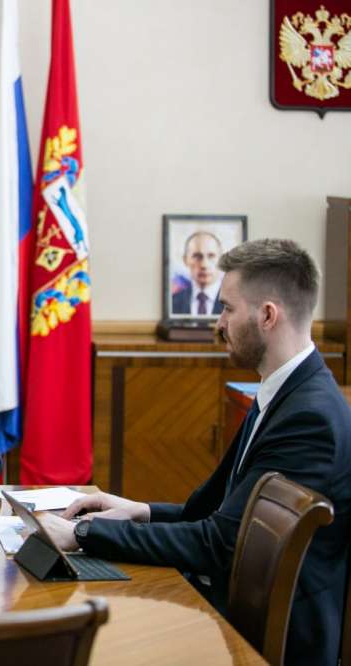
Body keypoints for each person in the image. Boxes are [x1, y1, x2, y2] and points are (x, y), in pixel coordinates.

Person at [39, 239, 351, 666]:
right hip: (228, 605)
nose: (218, 324)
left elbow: (221, 544)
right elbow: (213, 515)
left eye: (227, 309)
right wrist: (137, 511)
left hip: (267, 641)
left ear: (267, 316)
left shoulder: (310, 418)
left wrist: (81, 535)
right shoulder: (283, 392)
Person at [171, 230, 224, 316]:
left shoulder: (233, 303)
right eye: (196, 256)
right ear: (185, 260)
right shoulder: (173, 303)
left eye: (211, 256)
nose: (204, 265)